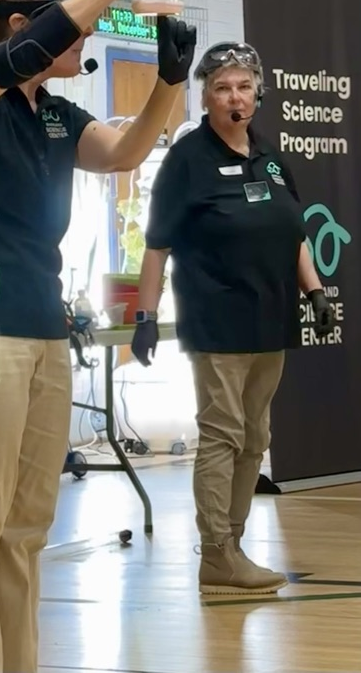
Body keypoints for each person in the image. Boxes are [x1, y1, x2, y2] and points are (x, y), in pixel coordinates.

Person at [0, 0, 197, 673]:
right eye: (76, 19)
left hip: (39, 331)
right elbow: (19, 57)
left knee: (25, 525)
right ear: (20, 26)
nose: (89, 34)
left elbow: (129, 151)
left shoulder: (57, 115)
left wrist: (171, 81)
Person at [131, 42, 334, 595]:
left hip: (271, 317)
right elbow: (156, 245)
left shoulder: (268, 155)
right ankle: (216, 550)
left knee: (255, 436)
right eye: (222, 88)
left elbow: (292, 230)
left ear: (258, 92)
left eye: (243, 86)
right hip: (215, 315)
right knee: (223, 433)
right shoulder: (187, 158)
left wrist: (313, 290)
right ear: (205, 96)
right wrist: (145, 314)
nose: (234, 97)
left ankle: (235, 543)